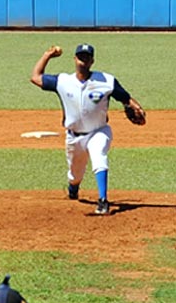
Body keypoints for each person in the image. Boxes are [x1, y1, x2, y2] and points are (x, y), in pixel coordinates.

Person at [30, 43, 146, 216]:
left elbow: (125, 98)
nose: (83, 61)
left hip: (99, 131)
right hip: (74, 137)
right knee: (75, 175)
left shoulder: (106, 81)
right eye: (80, 57)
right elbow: (36, 77)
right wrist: (47, 55)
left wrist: (136, 106)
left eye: (87, 58)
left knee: (99, 157)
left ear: (92, 61)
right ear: (75, 59)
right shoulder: (63, 81)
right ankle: (73, 187)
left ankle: (103, 201)